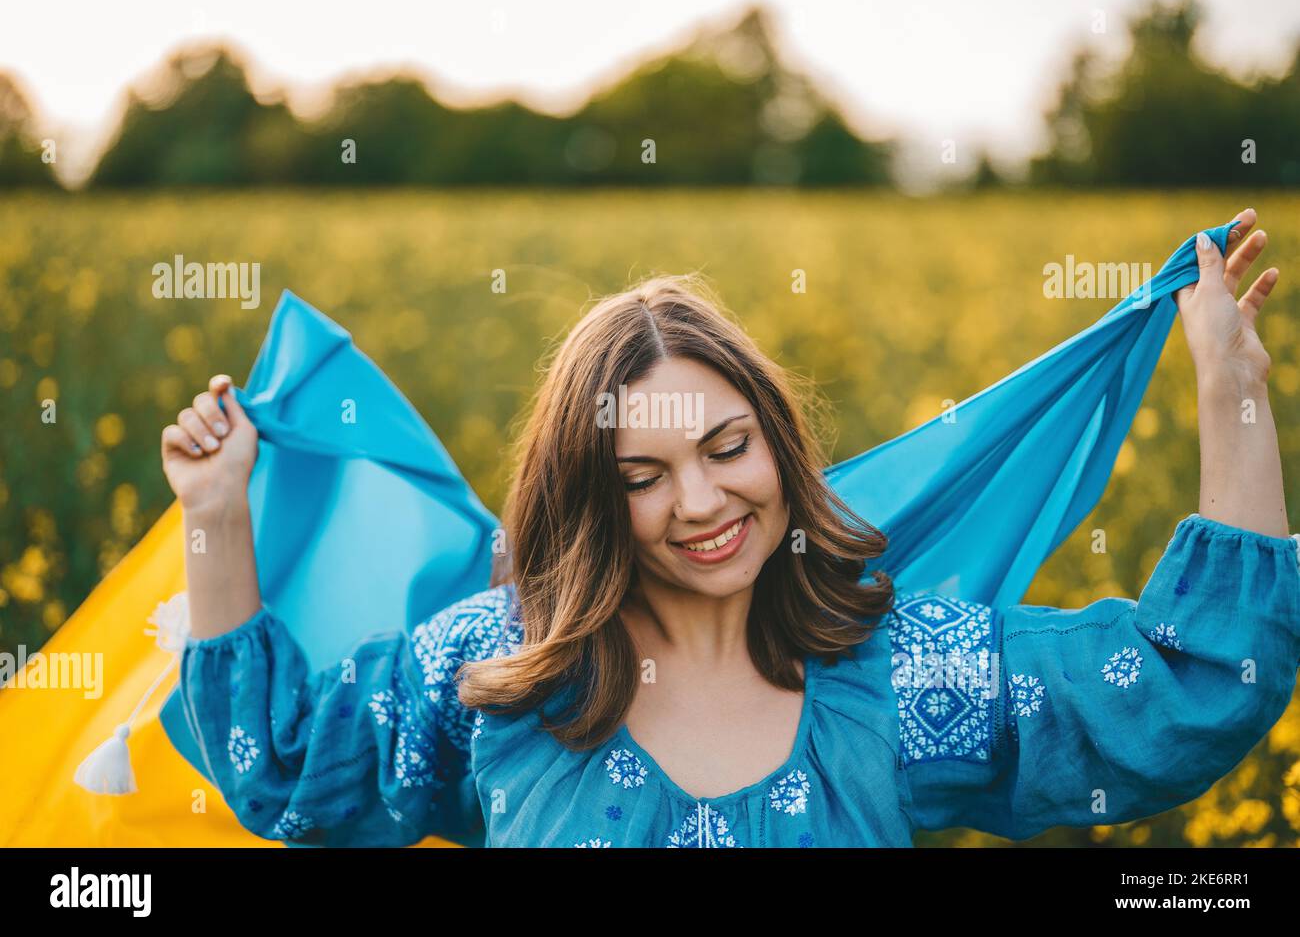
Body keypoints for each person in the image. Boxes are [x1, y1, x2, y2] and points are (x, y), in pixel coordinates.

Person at [164, 207, 1299, 847]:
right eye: (642, 475)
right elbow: (288, 774)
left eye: (725, 448)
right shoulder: (497, 669)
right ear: (589, 497)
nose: (701, 504)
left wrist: (1230, 392)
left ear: (777, 444)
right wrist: (216, 515)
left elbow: (1186, 690)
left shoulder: (903, 672)